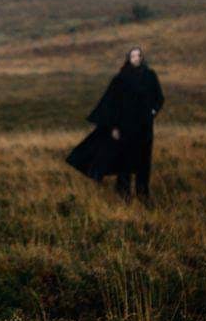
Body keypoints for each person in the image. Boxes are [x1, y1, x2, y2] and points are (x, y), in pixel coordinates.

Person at [65, 45, 164, 203]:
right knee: (124, 161)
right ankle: (124, 194)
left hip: (144, 127)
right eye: (133, 56)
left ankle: (143, 193)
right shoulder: (120, 79)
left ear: (142, 58)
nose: (137, 59)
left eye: (139, 56)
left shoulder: (150, 76)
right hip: (125, 127)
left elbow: (159, 97)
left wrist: (153, 112)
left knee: (144, 160)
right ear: (128, 59)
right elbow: (110, 104)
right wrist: (113, 127)